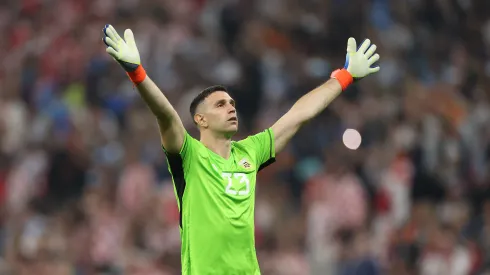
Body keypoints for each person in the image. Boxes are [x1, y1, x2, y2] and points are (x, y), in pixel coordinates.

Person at [102, 24, 380, 275]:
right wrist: (137, 72)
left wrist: (343, 77)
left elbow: (298, 115)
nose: (231, 107)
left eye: (232, 103)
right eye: (220, 105)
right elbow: (166, 115)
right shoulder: (189, 156)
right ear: (200, 119)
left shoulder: (250, 152)